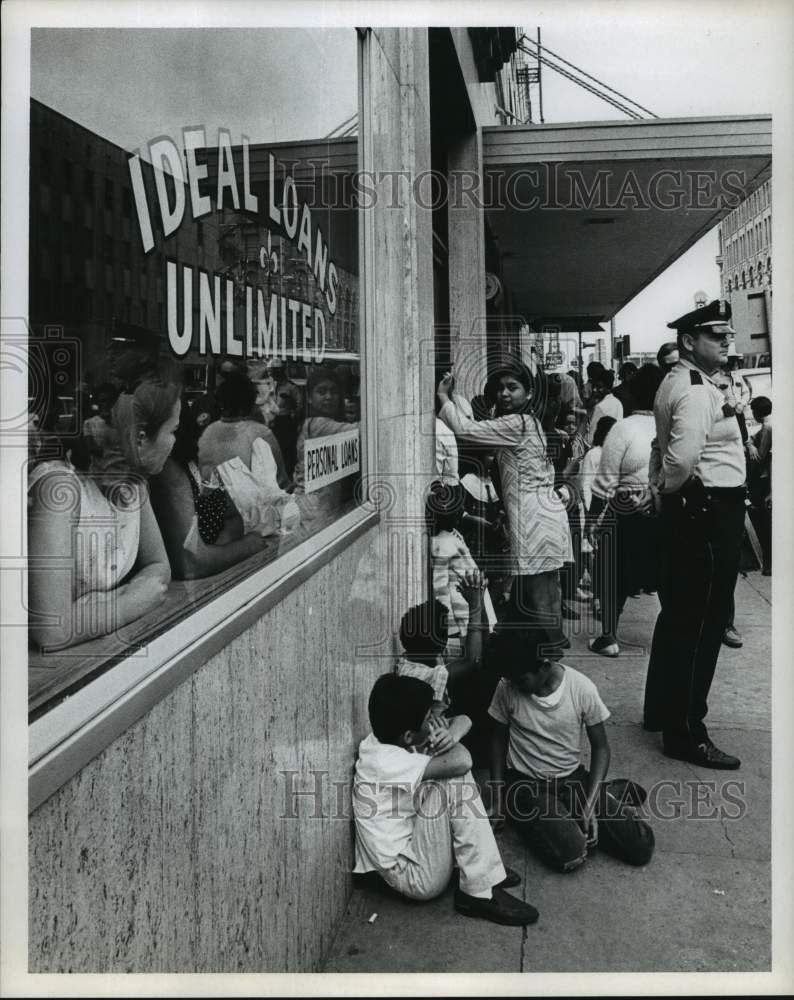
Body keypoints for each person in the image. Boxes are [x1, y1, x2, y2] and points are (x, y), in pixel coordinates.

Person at [643, 300, 746, 769]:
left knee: (680, 617)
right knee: (702, 624)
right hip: (705, 511)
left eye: (727, 333)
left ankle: (662, 713)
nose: (726, 340)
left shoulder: (687, 382)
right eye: (715, 334)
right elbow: (680, 461)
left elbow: (658, 446)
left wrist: (664, 492)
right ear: (689, 341)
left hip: (695, 510)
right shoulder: (694, 390)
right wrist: (673, 493)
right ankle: (686, 730)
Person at [352, 673, 540, 926]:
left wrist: (453, 732)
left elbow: (463, 719)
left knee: (448, 772)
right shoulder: (383, 760)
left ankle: (481, 871)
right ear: (408, 736)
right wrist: (451, 740)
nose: (434, 721)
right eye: (428, 719)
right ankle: (478, 892)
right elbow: (462, 762)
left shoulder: (387, 734)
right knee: (451, 778)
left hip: (417, 848)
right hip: (413, 875)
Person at [28, 364, 180, 651]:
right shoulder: (59, 490)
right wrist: (132, 601)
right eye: (173, 430)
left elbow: (159, 567)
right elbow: (52, 632)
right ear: (141, 437)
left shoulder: (134, 486)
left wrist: (99, 610)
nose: (175, 441)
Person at [488, 626, 655, 872]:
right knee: (571, 854)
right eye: (511, 679)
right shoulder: (507, 687)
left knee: (640, 848)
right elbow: (497, 740)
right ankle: (581, 803)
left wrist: (589, 804)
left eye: (521, 679)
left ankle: (599, 794)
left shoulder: (580, 687)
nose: (515, 685)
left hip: (572, 779)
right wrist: (498, 797)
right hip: (527, 785)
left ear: (544, 666)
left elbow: (601, 748)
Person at [436, 359, 571, 639]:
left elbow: (467, 430)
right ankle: (547, 652)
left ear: (529, 393)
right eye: (500, 388)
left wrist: (443, 398)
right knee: (543, 591)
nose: (504, 393)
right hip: (543, 515)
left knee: (540, 596)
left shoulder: (517, 423)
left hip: (534, 519)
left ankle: (549, 658)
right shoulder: (532, 421)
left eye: (513, 387)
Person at [586, 364, 664, 657]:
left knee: (611, 573)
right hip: (666, 508)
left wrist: (591, 523)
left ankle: (608, 637)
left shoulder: (623, 428)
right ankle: (673, 635)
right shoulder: (671, 427)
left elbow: (603, 484)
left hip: (626, 509)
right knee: (665, 575)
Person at [149, 398, 270, 580]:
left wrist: (214, 555)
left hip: (211, 579)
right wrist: (249, 545)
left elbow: (233, 520)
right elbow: (190, 564)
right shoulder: (171, 471)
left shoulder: (217, 465)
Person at [426, 481, 497, 641]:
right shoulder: (441, 544)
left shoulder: (454, 534)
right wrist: (448, 624)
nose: (457, 515)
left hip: (473, 595)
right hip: (461, 604)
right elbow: (440, 586)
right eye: (453, 513)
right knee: (472, 639)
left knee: (483, 634)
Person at [746, 395, 772, 576]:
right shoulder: (770, 425)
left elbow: (760, 457)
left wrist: (751, 449)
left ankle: (768, 562)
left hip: (763, 481)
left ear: (756, 412)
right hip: (767, 480)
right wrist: (750, 443)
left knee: (763, 523)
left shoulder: (767, 428)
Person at [585, 369, 623, 446]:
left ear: (608, 388)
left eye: (599, 387)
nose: (595, 390)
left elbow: (591, 438)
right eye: (594, 386)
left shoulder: (600, 407)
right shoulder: (618, 403)